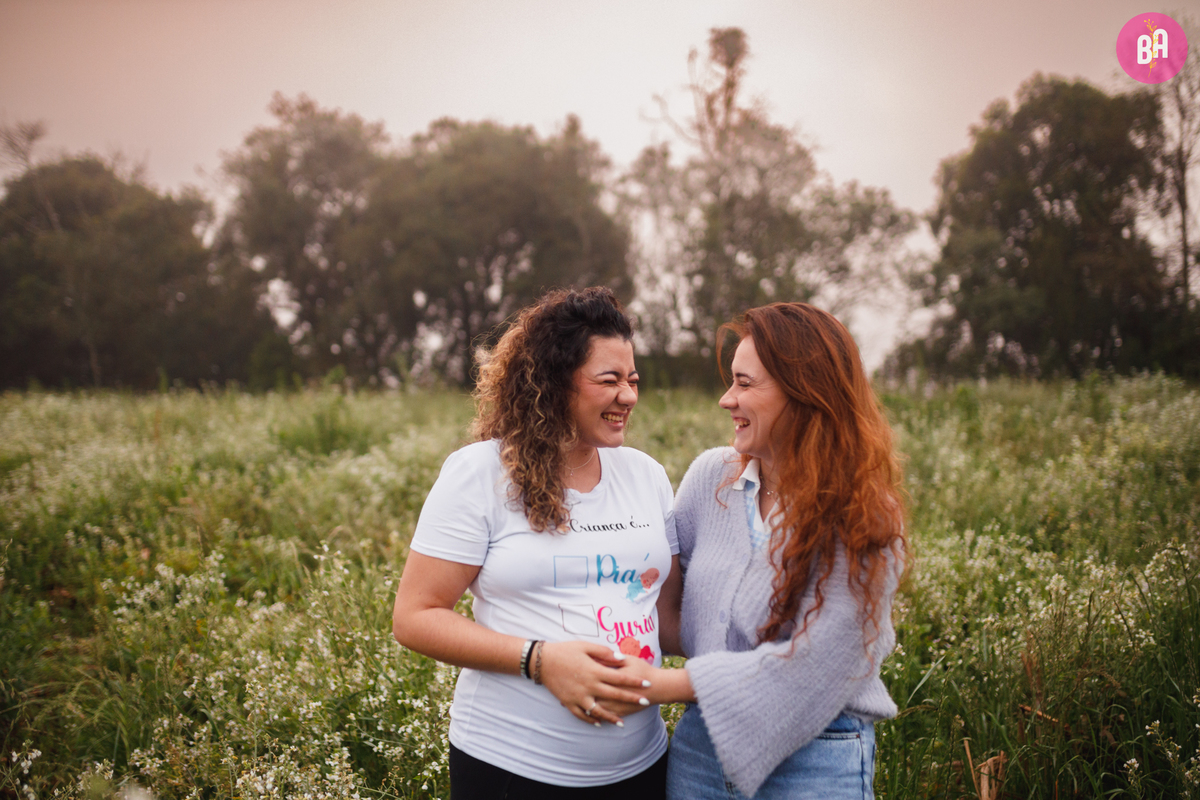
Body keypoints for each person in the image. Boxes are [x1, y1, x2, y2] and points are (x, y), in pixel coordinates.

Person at [606, 302, 908, 799]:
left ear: (804, 392)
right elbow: (660, 602)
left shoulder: (863, 512)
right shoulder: (710, 479)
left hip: (817, 754)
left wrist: (664, 686)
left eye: (745, 384)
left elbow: (821, 660)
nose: (727, 400)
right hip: (703, 747)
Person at [392, 286, 677, 800]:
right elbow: (415, 616)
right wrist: (539, 660)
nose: (628, 396)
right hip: (510, 770)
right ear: (553, 382)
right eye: (609, 380)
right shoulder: (480, 473)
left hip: (641, 767)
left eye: (633, 380)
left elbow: (670, 619)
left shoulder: (647, 476)